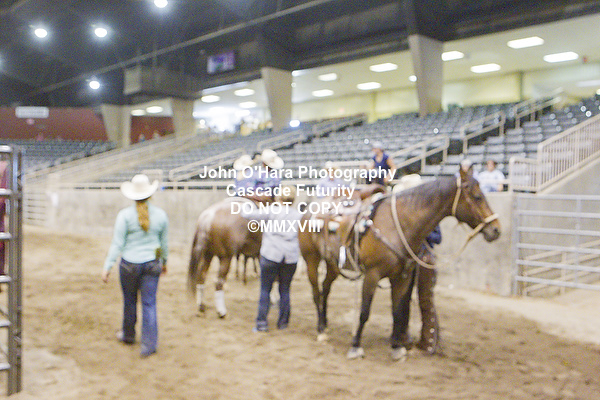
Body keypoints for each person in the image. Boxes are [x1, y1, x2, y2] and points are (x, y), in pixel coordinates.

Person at [102, 174, 169, 358]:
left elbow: (117, 244)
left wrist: (107, 266)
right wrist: (164, 262)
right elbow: (164, 244)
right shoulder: (161, 216)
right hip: (152, 264)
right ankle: (149, 345)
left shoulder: (124, 216)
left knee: (129, 301)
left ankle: (128, 335)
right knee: (149, 303)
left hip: (129, 264)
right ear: (150, 194)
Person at [242, 186, 302, 332]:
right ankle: (283, 323)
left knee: (265, 290)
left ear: (279, 197)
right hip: (290, 257)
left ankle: (261, 323)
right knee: (285, 290)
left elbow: (247, 214)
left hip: (271, 255)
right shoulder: (298, 215)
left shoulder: (271, 211)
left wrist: (247, 201)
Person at [394, 174, 443, 355]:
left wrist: (420, 232)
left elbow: (438, 237)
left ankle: (429, 340)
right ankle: (403, 335)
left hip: (424, 258)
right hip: (407, 258)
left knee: (425, 299)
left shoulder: (429, 212)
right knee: (403, 298)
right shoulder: (403, 213)